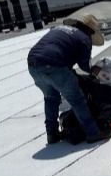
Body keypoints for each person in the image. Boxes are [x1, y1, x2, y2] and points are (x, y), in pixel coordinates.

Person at [27, 12, 106, 144]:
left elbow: (58, 48)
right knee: (77, 100)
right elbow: (85, 66)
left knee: (51, 98)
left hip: (33, 64)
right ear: (90, 31)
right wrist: (97, 70)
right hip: (54, 66)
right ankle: (93, 133)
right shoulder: (84, 39)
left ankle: (52, 134)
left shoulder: (59, 29)